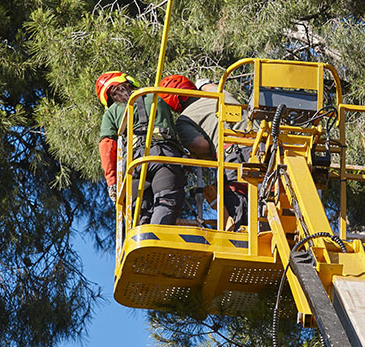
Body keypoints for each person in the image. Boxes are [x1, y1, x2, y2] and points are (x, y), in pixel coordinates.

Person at [159, 75, 252, 230]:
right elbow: (210, 86)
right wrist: (203, 84)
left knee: (237, 196)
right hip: (265, 146)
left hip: (235, 154)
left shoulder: (184, 120)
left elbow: (200, 145)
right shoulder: (221, 93)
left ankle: (239, 235)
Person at [97, 71, 186, 226]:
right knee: (166, 202)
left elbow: (107, 147)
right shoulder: (156, 96)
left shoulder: (111, 113)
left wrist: (112, 183)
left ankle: (144, 236)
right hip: (163, 157)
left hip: (134, 164)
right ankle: (155, 237)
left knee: (140, 212)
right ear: (129, 81)